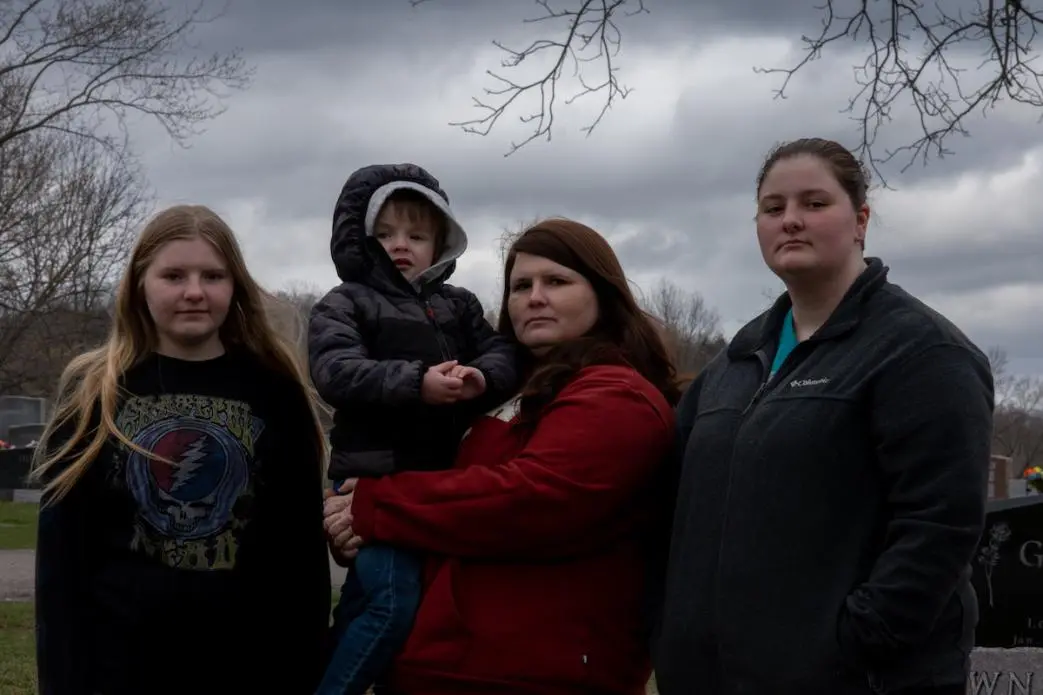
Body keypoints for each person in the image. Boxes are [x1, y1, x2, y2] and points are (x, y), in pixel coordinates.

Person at [653, 138, 994, 695]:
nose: (790, 221)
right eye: (773, 208)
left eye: (814, 204)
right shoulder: (733, 365)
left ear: (860, 220)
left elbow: (940, 526)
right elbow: (675, 511)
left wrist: (852, 642)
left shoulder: (922, 352)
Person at [322, 218, 680, 695]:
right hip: (440, 665)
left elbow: (529, 499)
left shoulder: (616, 395)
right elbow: (447, 502)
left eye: (556, 281)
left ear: (602, 293)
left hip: (535, 674)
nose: (534, 298)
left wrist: (375, 507)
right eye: (520, 286)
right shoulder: (507, 391)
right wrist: (358, 527)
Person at [31, 205, 332, 695]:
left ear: (234, 286)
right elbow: (62, 564)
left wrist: (306, 668)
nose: (194, 291)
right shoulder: (95, 393)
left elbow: (299, 561)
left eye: (213, 275)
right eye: (173, 275)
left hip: (247, 668)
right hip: (118, 669)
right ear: (140, 283)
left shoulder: (275, 391)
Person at [308, 163, 519, 695]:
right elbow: (335, 370)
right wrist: (416, 382)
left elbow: (504, 355)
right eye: (386, 233)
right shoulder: (345, 301)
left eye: (417, 234)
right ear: (362, 238)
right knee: (391, 606)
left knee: (367, 604)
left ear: (439, 242)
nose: (401, 245)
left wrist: (478, 377)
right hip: (371, 480)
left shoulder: (459, 305)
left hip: (435, 487)